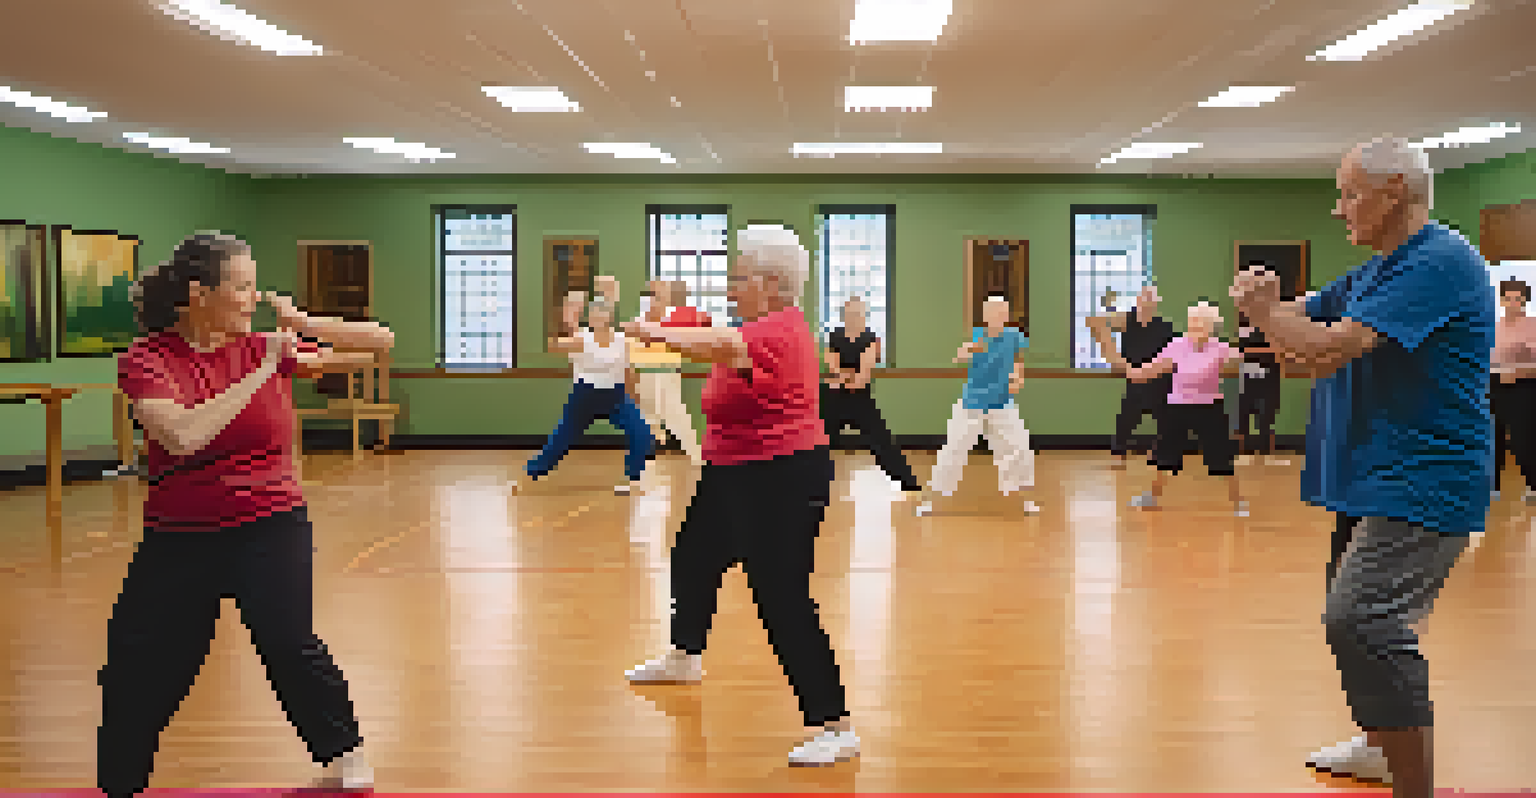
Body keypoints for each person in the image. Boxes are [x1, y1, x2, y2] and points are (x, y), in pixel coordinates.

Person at [1232, 136, 1492, 796]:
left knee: (1363, 620)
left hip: (1424, 476)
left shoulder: (1438, 261)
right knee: (1356, 618)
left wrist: (1266, 312)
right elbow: (1297, 349)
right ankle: (1381, 748)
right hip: (1372, 477)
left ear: (1396, 190)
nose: (1338, 209)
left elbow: (1321, 348)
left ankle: (1414, 785)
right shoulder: (1374, 272)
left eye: (1350, 193)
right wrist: (1272, 315)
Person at [101, 232, 391, 795]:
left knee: (286, 639)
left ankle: (343, 754)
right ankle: (119, 781)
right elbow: (183, 435)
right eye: (241, 285)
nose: (252, 297)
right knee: (143, 656)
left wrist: (304, 322)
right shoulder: (148, 360)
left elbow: (382, 342)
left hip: (270, 522)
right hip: (179, 534)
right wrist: (261, 374)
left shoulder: (264, 346)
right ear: (198, 294)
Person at [621, 224, 859, 767]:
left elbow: (723, 345)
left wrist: (654, 332)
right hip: (731, 472)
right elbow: (721, 340)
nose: (730, 289)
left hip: (782, 476)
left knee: (780, 596)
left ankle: (834, 723)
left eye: (739, 279)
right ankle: (684, 656)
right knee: (693, 557)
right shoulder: (755, 324)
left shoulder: (778, 329)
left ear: (773, 283)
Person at [1117, 301, 1247, 516]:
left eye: (1200, 322)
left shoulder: (1221, 347)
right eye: (1192, 322)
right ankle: (1151, 496)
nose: (1195, 326)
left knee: (1221, 455)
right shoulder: (1178, 344)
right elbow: (1148, 370)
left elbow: (1243, 360)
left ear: (1211, 326)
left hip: (1209, 408)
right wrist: (1128, 367)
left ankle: (1239, 501)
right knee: (1164, 453)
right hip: (1177, 406)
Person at [519, 291, 654, 495]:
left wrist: (635, 401)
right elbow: (552, 346)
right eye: (592, 314)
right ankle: (530, 473)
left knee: (642, 433)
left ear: (609, 316)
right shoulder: (581, 338)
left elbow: (628, 371)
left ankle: (633, 478)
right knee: (560, 440)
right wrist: (567, 319)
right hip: (584, 398)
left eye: (600, 313)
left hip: (616, 397)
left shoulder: (621, 340)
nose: (595, 317)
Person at [916, 296, 1037, 516]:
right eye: (995, 312)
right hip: (972, 403)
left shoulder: (1013, 336)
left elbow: (1018, 361)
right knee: (953, 448)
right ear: (986, 316)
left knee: (1020, 448)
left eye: (1004, 313)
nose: (1000, 317)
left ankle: (1026, 499)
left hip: (1001, 403)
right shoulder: (978, 336)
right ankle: (930, 500)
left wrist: (1018, 379)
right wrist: (969, 350)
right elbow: (959, 357)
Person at [821, 295, 922, 495]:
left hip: (860, 399)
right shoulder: (834, 336)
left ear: (864, 316)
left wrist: (844, 377)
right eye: (849, 314)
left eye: (857, 314)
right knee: (820, 442)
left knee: (881, 440)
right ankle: (810, 485)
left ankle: (908, 482)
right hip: (834, 398)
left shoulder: (871, 338)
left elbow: (862, 376)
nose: (853, 317)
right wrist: (843, 376)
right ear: (843, 315)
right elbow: (832, 365)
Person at [1087, 284, 1176, 468]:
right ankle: (1118, 452)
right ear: (1137, 300)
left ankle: (1160, 450)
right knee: (1127, 417)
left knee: (1166, 417)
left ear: (1156, 304)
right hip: (1134, 378)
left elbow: (1172, 352)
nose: (1146, 303)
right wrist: (1121, 363)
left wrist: (1153, 370)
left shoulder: (1164, 326)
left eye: (1151, 300)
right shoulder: (1127, 320)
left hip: (1159, 380)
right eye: (1144, 298)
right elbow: (1094, 322)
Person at [630, 279, 708, 467]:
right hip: (644, 375)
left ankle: (697, 457)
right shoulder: (638, 323)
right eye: (652, 296)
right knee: (644, 419)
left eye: (659, 297)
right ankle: (640, 463)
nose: (654, 301)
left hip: (666, 374)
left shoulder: (675, 322)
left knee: (676, 415)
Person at [1492, 278, 1536, 501]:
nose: (1513, 303)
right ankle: (1492, 487)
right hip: (1494, 385)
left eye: (1518, 299)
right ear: (1502, 300)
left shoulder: (1533, 324)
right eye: (1508, 298)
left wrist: (1519, 371)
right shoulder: (1494, 326)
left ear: (1525, 301)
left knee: (1522, 438)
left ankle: (1533, 485)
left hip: (1524, 385)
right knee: (1492, 436)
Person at [1235, 303, 1289, 467]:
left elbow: (1280, 350)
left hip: (1270, 376)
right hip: (1248, 376)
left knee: (1266, 416)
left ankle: (1265, 455)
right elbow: (1242, 350)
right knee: (1244, 413)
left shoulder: (1276, 325)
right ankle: (1242, 453)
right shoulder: (1245, 325)